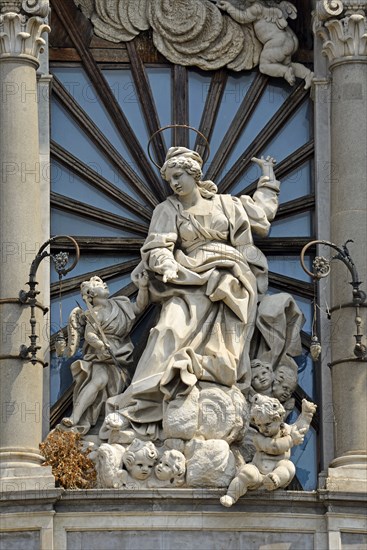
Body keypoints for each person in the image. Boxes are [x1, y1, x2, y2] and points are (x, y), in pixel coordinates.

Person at [101, 146, 280, 442]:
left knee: (224, 349)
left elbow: (262, 216)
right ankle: (141, 403)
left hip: (230, 281)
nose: (175, 183)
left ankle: (209, 390)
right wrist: (167, 265)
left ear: (194, 175)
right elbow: (157, 246)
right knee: (167, 329)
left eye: (179, 175)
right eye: (170, 179)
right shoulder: (168, 210)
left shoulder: (227, 204)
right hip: (186, 279)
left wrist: (267, 177)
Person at [60, 273, 149, 435]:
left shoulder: (120, 304)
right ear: (91, 294)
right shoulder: (94, 314)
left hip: (120, 352)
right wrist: (100, 345)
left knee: (116, 391)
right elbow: (89, 335)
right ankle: (75, 417)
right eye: (100, 285)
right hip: (102, 354)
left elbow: (139, 307)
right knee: (99, 380)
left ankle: (110, 422)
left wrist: (143, 287)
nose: (105, 285)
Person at [220, 393, 315, 506]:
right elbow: (273, 447)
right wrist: (291, 440)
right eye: (259, 425)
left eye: (268, 424)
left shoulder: (287, 430)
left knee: (288, 467)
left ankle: (274, 480)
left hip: (276, 471)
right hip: (258, 473)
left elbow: (300, 428)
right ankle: (232, 495)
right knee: (246, 472)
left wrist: (307, 414)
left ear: (279, 418)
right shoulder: (258, 438)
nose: (263, 429)